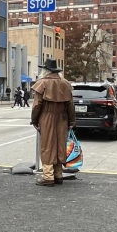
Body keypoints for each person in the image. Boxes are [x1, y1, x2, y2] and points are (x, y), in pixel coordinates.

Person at [30, 58, 76, 186]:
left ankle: (48, 177)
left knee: (47, 146)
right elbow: (70, 105)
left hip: (46, 117)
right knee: (60, 145)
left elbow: (37, 105)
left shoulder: (42, 83)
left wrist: (34, 120)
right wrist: (71, 121)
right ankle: (58, 174)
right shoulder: (65, 83)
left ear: (45, 70)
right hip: (62, 118)